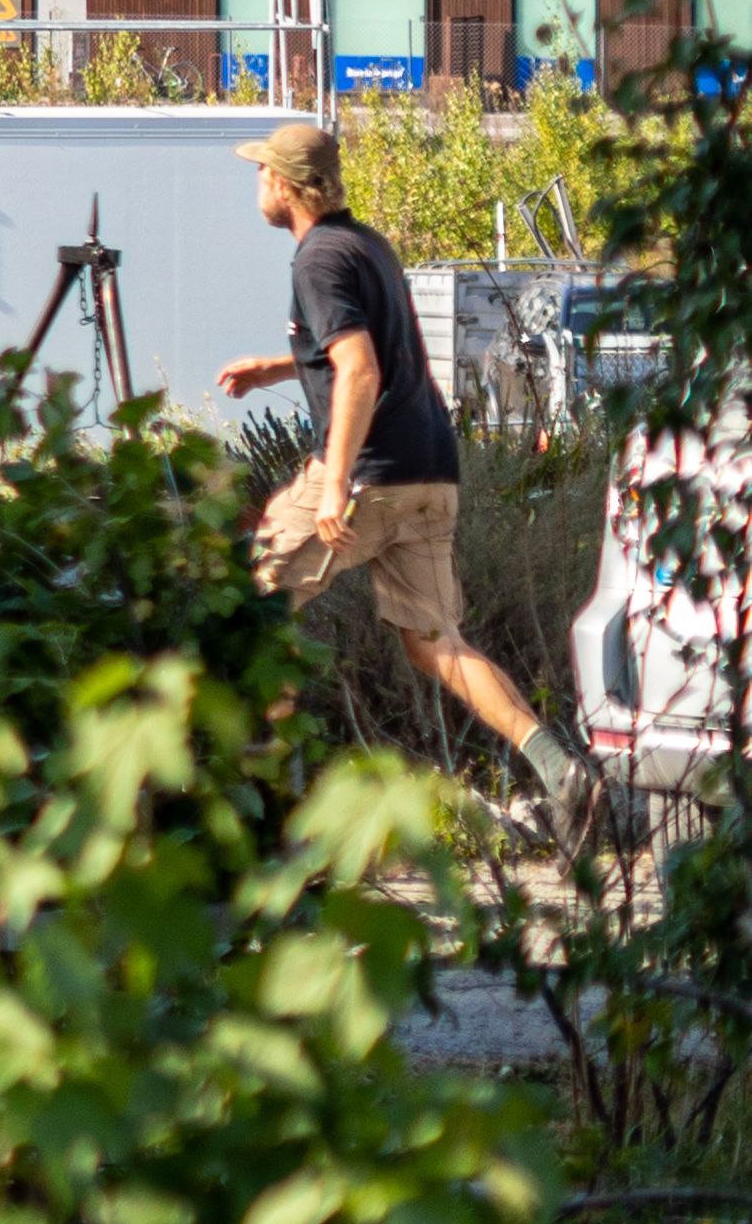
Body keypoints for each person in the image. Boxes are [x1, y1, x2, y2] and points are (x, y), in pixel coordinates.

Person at [211, 116, 591, 823]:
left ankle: (271, 804)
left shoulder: (316, 259)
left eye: (262, 170)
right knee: (435, 642)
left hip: (367, 475)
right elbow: (360, 349)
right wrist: (272, 369)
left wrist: (333, 479)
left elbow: (358, 369)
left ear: (287, 185)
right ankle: (555, 766)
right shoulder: (366, 245)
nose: (256, 181)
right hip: (429, 470)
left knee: (249, 603)